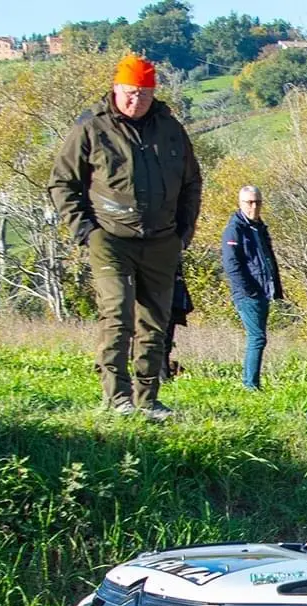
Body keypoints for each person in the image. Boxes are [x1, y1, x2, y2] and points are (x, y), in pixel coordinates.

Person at [49, 54, 202, 421]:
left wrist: (184, 231)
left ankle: (148, 399)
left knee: (155, 321)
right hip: (110, 238)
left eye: (146, 93)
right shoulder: (91, 129)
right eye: (132, 92)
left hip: (162, 240)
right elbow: (62, 182)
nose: (138, 100)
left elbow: (192, 182)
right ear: (117, 89)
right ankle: (117, 397)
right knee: (117, 314)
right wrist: (85, 229)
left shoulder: (171, 128)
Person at [221, 184, 283, 390]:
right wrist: (250, 290)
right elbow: (232, 265)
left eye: (257, 202)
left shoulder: (259, 228)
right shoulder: (234, 229)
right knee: (257, 338)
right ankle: (250, 385)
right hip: (249, 294)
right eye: (249, 202)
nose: (254, 206)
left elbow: (268, 260)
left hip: (264, 292)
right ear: (240, 203)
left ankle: (252, 383)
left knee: (259, 338)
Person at [161, 264, 192, 382]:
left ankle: (164, 375)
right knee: (160, 339)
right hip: (159, 293)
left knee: (166, 339)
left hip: (172, 293)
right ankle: (161, 376)